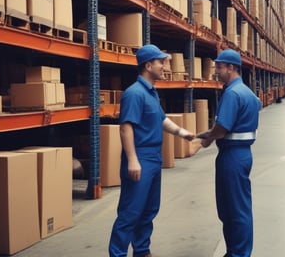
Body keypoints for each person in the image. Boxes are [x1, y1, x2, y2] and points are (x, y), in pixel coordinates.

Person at [109, 44, 195, 257]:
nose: (165, 66)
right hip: (141, 157)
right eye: (161, 62)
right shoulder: (134, 94)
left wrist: (182, 133)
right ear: (148, 65)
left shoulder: (151, 93)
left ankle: (142, 250)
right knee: (131, 212)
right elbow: (125, 127)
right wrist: (132, 159)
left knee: (148, 209)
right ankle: (117, 253)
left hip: (154, 158)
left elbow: (161, 119)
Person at [197, 49, 261, 257]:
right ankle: (234, 250)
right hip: (240, 154)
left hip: (232, 157)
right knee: (229, 208)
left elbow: (223, 127)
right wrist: (208, 133)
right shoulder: (247, 93)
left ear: (231, 68)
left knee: (235, 210)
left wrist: (208, 139)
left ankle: (239, 253)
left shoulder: (232, 94)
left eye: (219, 67)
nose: (216, 71)